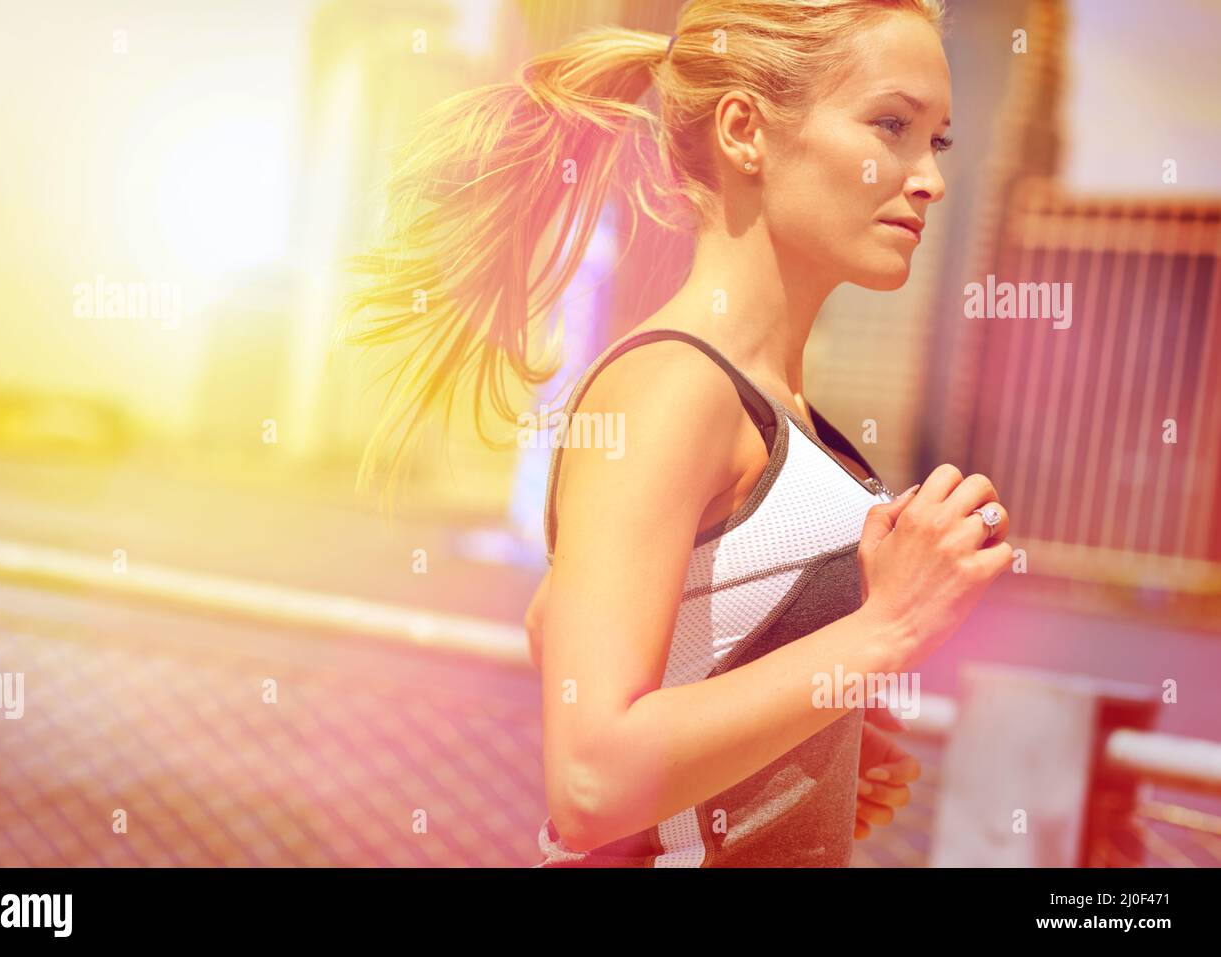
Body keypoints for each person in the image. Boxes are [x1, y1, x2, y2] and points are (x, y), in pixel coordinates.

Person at [346, 0, 1012, 866]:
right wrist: (884, 630)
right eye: (891, 125)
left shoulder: (780, 407)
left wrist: (793, 760)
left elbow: (567, 630)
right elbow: (591, 781)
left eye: (939, 141)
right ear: (745, 132)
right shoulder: (674, 389)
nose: (929, 178)